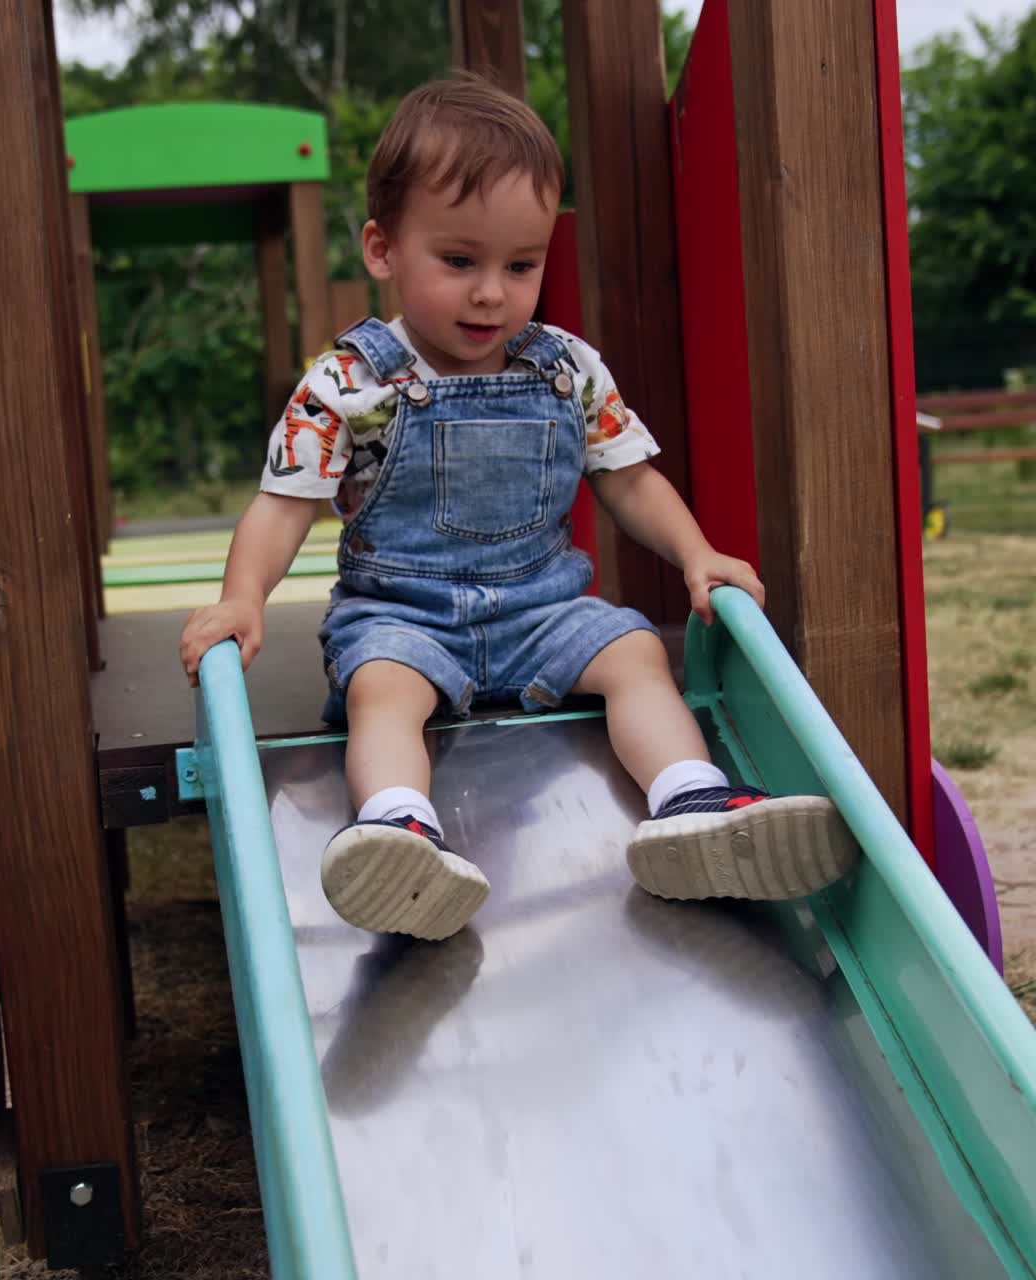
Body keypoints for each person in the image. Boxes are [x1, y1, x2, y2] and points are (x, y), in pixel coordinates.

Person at [180, 74, 858, 941]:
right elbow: (282, 506)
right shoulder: (351, 383)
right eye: (459, 262)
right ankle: (396, 828)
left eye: (521, 265)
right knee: (381, 691)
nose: (492, 293)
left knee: (635, 654)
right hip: (404, 614)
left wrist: (697, 553)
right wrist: (244, 599)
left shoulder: (565, 368)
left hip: (542, 608)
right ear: (383, 249)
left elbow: (629, 477)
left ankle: (691, 800)